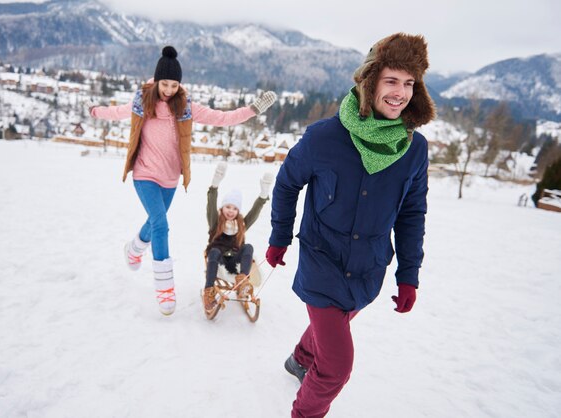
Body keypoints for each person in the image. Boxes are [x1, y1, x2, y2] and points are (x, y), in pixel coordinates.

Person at [265, 33, 436, 417]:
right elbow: (288, 183)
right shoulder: (325, 137)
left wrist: (408, 274)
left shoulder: (415, 150)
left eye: (409, 84)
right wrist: (279, 238)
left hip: (368, 267)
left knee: (336, 325)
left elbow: (412, 213)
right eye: (392, 81)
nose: (400, 93)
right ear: (371, 81)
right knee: (336, 368)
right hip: (321, 260)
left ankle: (299, 359)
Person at [89, 45, 277, 316]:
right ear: (156, 81)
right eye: (164, 84)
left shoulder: (186, 107)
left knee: (154, 221)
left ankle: (134, 248)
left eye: (174, 84)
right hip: (144, 175)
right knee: (161, 224)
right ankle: (165, 287)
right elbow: (116, 111)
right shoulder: (142, 101)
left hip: (169, 179)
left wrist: (251, 110)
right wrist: (96, 111)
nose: (168, 89)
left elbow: (222, 118)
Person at [202, 161, 273, 315]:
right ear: (222, 208)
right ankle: (208, 291)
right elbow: (211, 204)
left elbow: (254, 213)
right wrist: (215, 184)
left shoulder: (240, 225)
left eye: (235, 208)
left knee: (248, 247)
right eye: (228, 206)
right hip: (219, 258)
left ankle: (242, 282)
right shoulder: (216, 221)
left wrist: (263, 195)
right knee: (213, 252)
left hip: (234, 260)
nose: (231, 211)